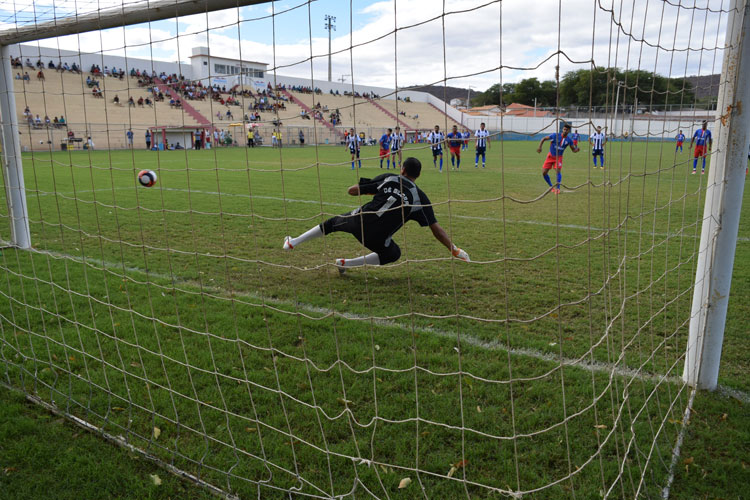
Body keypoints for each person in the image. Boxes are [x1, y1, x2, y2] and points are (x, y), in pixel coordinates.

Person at [282, 157, 470, 273]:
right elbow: (436, 229)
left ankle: (293, 242)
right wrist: (454, 249)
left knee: (332, 223)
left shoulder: (388, 177)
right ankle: (345, 264)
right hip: (377, 239)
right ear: (418, 176)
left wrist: (376, 190)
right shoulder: (420, 198)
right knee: (394, 253)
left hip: (358, 221)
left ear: (402, 169)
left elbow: (352, 191)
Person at [536, 123, 579, 194]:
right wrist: (540, 147)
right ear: (562, 129)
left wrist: (576, 150)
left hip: (558, 157)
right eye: (564, 129)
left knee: (557, 171)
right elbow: (543, 139)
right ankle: (551, 187)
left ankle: (558, 188)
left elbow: (573, 150)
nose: (565, 131)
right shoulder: (555, 135)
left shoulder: (569, 140)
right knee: (544, 173)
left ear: (569, 131)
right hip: (550, 156)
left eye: (567, 130)